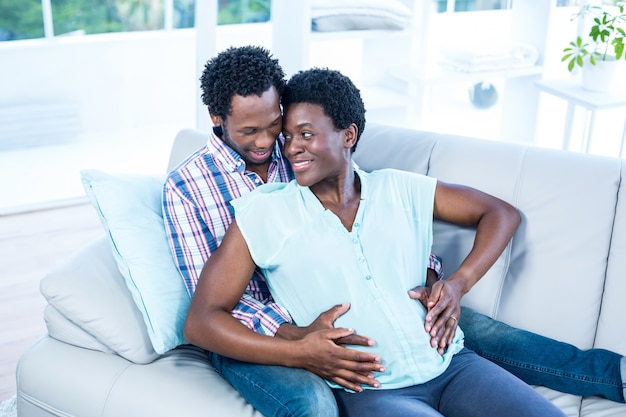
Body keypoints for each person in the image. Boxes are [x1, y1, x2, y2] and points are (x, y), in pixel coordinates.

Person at [163, 45, 625, 416]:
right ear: (217, 118)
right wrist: (300, 343)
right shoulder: (213, 196)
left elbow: (390, 225)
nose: (272, 144)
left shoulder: (374, 181)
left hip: (431, 350)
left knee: (479, 329)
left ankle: (615, 376)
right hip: (283, 338)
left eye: (278, 129)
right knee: (313, 402)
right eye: (254, 133)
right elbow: (211, 312)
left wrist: (439, 281)